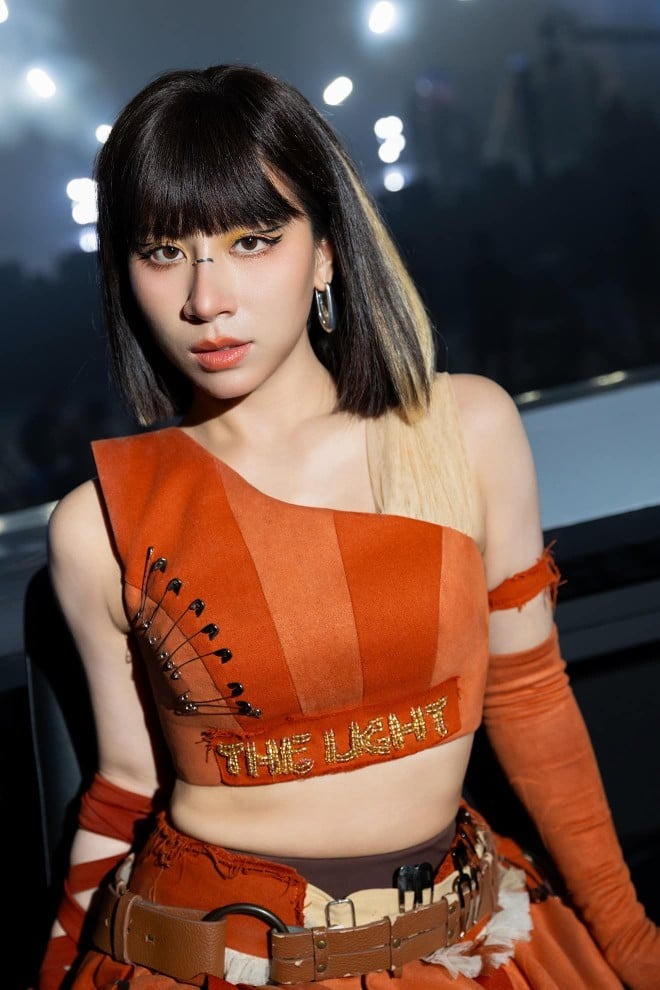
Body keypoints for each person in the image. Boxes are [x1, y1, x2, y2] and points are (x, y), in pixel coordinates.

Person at [38, 64, 658, 990]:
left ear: (327, 251)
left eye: (253, 240)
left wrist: (630, 936)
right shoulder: (99, 523)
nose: (207, 299)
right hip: (205, 959)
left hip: (464, 938)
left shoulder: (464, 430)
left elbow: (529, 698)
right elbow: (127, 784)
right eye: (163, 251)